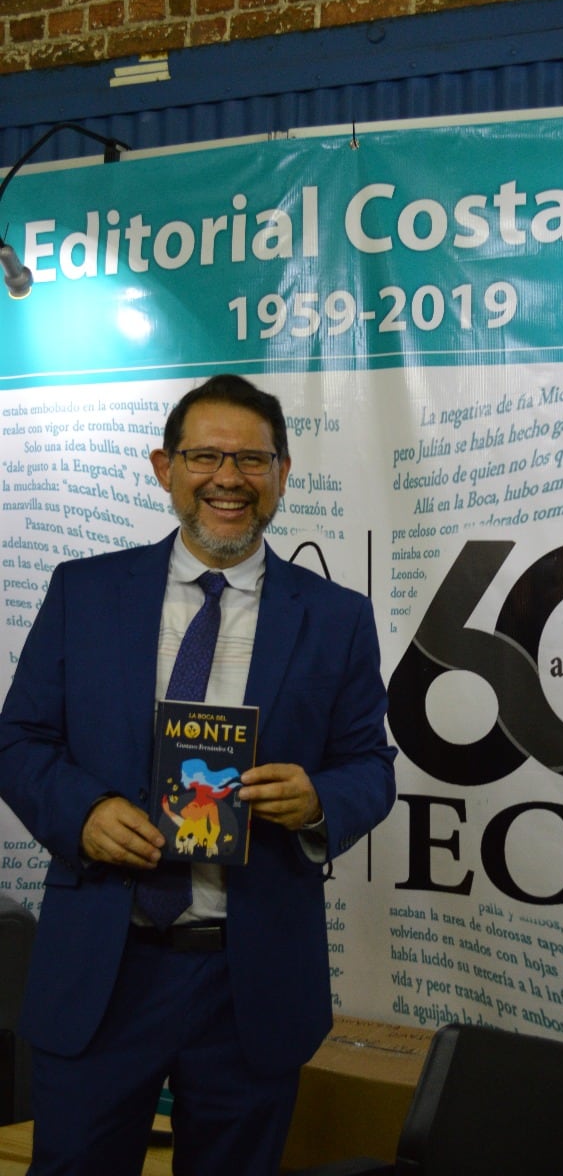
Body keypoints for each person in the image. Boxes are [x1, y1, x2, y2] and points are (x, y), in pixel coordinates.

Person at [0, 374, 396, 1176]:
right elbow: (20, 740)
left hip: (250, 980)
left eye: (252, 459)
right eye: (205, 456)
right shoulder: (85, 591)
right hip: (104, 967)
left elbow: (369, 767)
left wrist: (319, 800)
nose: (228, 478)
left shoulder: (336, 617)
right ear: (165, 468)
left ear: (282, 473)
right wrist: (83, 813)